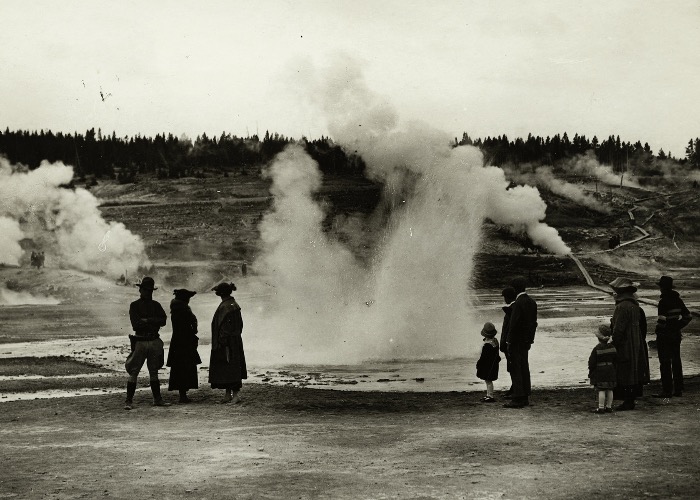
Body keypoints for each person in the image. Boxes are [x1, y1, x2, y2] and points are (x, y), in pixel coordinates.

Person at [124, 277, 169, 410]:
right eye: (146, 290)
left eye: (150, 290)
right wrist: (152, 322)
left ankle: (157, 399)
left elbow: (164, 321)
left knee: (154, 371)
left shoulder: (156, 305)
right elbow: (135, 324)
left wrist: (146, 321)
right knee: (134, 371)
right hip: (141, 341)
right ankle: (128, 401)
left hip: (152, 340)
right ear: (140, 290)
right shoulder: (134, 305)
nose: (148, 292)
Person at [652, 276, 692, 398]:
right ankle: (678, 389)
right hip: (675, 334)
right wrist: (678, 326)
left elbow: (662, 321)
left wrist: (658, 332)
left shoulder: (663, 301)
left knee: (664, 362)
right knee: (676, 361)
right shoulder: (678, 300)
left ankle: (667, 390)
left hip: (665, 336)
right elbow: (688, 316)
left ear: (662, 288)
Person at [608, 277, 644, 411]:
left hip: (625, 342)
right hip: (635, 341)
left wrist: (613, 342)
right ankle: (631, 399)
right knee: (633, 369)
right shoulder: (635, 305)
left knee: (624, 369)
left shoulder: (622, 306)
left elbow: (619, 329)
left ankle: (627, 401)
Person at [209, 282, 247, 403]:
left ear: (220, 293)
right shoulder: (232, 304)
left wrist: (222, 339)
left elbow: (226, 326)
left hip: (227, 342)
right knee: (228, 367)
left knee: (231, 367)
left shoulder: (226, 306)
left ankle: (235, 395)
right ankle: (228, 394)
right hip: (232, 341)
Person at [503, 277, 537, 409]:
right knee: (524, 367)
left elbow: (513, 325)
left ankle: (518, 398)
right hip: (526, 341)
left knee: (516, 368)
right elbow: (533, 324)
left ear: (515, 289)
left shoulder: (518, 303)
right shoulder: (532, 302)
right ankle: (525, 395)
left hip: (516, 341)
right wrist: (530, 339)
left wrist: (509, 341)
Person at [167, 289, 202, 403]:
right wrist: (194, 329)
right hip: (186, 341)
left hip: (177, 341)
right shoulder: (185, 309)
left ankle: (182, 394)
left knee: (178, 367)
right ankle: (183, 395)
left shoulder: (175, 308)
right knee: (186, 367)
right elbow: (193, 321)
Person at [588, 324, 617, 414]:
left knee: (601, 389)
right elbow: (616, 359)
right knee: (610, 389)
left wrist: (591, 372)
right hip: (610, 369)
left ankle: (601, 408)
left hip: (600, 370)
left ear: (598, 338)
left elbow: (591, 362)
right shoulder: (612, 347)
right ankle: (609, 407)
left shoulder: (596, 349)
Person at [476, 322, 501, 402]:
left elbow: (483, 357)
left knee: (488, 380)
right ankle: (489, 395)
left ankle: (490, 396)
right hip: (493, 364)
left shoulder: (487, 345)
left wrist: (479, 364)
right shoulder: (495, 341)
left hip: (487, 366)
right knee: (488, 380)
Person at [499, 287, 517, 396]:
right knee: (512, 367)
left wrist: (505, 343)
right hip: (509, 343)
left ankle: (515, 388)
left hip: (509, 343)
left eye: (505, 297)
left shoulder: (512, 309)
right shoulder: (512, 308)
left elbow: (508, 329)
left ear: (508, 297)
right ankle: (514, 387)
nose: (504, 299)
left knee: (512, 367)